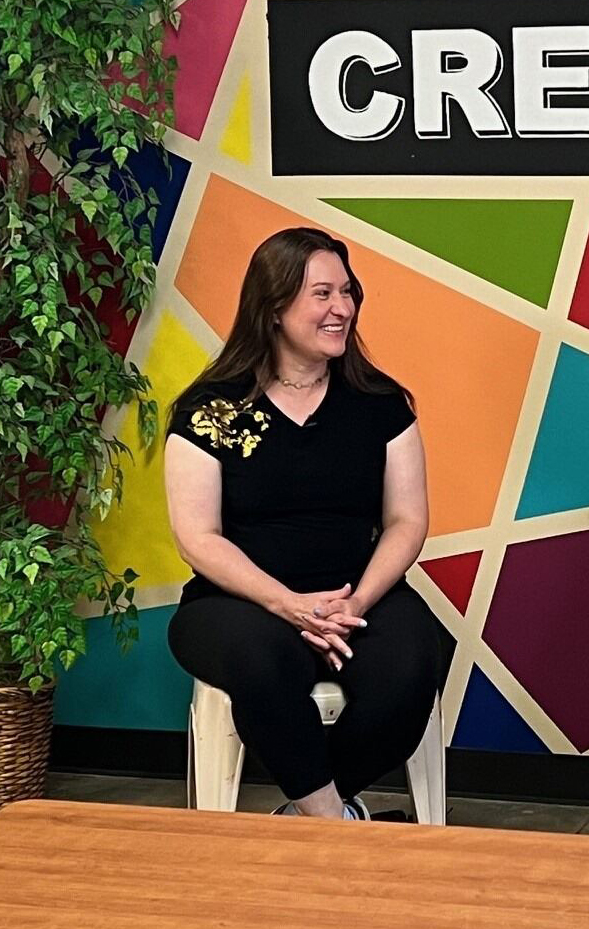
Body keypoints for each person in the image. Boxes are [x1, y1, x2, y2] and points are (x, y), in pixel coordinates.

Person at [164, 227, 445, 820]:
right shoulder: (210, 408)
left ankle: (312, 816)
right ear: (273, 306)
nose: (341, 308)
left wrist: (355, 601)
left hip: (358, 594)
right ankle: (337, 826)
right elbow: (198, 538)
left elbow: (406, 520)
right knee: (264, 664)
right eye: (322, 294)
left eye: (347, 292)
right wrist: (286, 603)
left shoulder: (380, 404)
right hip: (237, 600)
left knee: (415, 662)